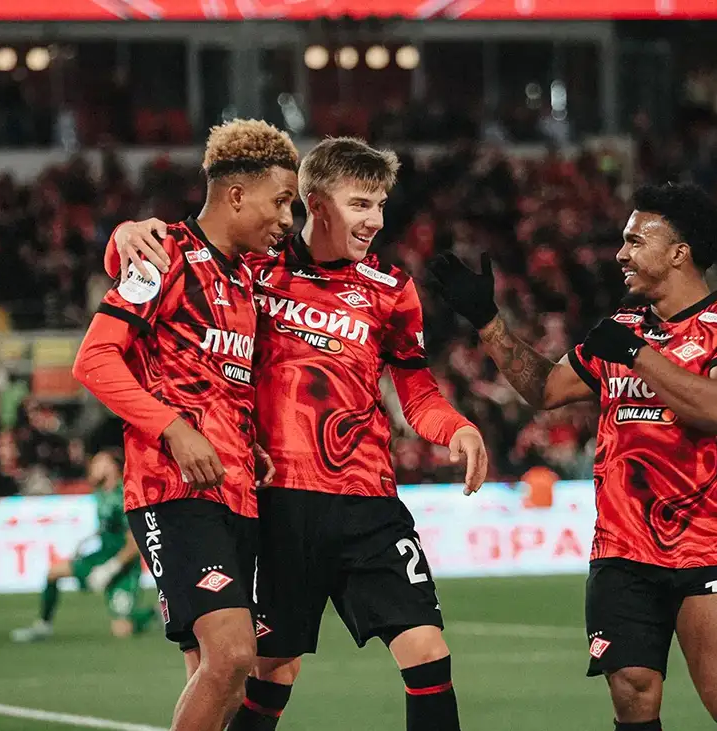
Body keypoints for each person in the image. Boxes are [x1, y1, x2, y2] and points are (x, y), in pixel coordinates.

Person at [106, 136, 489, 731]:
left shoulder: (391, 289)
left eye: (381, 206)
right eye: (360, 204)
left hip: (368, 501)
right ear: (316, 203)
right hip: (277, 502)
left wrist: (456, 428)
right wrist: (125, 233)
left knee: (427, 650)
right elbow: (170, 265)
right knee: (270, 669)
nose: (375, 220)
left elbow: (416, 391)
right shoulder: (253, 266)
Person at [426, 182, 717, 731]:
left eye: (635, 241)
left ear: (679, 252)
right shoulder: (624, 327)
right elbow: (547, 388)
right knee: (633, 694)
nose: (621, 254)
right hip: (620, 549)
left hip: (706, 545)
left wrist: (639, 355)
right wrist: (488, 321)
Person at [73, 119, 297, 731]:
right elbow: (94, 359)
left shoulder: (247, 277)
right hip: (173, 490)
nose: (287, 219)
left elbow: (224, 381)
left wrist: (250, 441)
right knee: (233, 653)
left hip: (238, 492)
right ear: (235, 194)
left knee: (221, 676)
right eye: (280, 201)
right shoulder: (164, 253)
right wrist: (175, 428)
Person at [10, 450, 155, 642]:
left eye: (99, 462)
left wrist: (110, 569)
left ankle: (154, 614)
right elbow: (109, 527)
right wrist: (86, 541)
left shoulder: (125, 495)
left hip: (123, 566)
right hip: (101, 555)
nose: (93, 467)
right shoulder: (101, 493)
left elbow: (135, 542)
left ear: (112, 467)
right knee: (53, 572)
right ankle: (44, 625)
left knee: (122, 629)